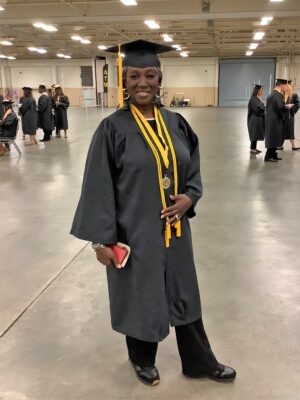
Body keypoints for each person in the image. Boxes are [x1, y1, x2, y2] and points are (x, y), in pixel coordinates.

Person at [71, 40, 236, 386]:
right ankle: (141, 358)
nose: (142, 82)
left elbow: (193, 169)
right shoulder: (112, 128)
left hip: (175, 233)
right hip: (135, 233)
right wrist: (101, 241)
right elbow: (98, 186)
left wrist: (190, 198)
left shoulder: (176, 123)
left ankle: (199, 361)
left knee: (184, 293)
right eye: (134, 76)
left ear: (160, 79)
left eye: (149, 75)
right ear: (125, 81)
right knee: (140, 295)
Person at [264, 79, 292, 162]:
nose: (286, 87)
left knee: (274, 138)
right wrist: (287, 107)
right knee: (273, 138)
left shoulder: (272, 94)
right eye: (286, 85)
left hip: (272, 120)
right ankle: (268, 156)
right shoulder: (277, 95)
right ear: (281, 85)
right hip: (275, 121)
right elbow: (280, 108)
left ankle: (273, 155)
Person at [279, 81, 300, 151]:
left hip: (290, 116)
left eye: (289, 88)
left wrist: (292, 107)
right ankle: (280, 145)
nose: (287, 90)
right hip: (283, 116)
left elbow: (297, 104)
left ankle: (293, 146)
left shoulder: (294, 95)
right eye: (286, 88)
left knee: (291, 131)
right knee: (282, 131)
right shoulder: (282, 95)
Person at [247, 85, 265, 154]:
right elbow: (257, 109)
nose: (261, 92)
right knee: (254, 134)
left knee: (256, 133)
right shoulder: (254, 98)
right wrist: (264, 106)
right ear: (257, 90)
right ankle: (252, 149)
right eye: (261, 90)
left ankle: (254, 148)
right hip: (254, 119)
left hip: (257, 119)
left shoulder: (257, 98)